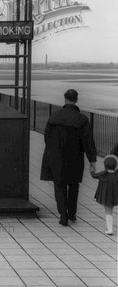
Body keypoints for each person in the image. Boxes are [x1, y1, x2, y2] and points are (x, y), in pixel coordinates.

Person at [40, 89, 98, 226]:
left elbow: (47, 137)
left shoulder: (54, 116)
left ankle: (63, 215)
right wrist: (92, 160)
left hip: (56, 158)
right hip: (75, 158)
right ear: (76, 100)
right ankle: (72, 213)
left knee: (59, 186)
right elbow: (88, 141)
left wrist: (53, 151)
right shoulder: (82, 119)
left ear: (65, 99)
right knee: (73, 186)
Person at [91, 155, 118, 235]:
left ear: (105, 165)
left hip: (105, 196)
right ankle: (108, 227)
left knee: (108, 212)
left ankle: (110, 229)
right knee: (110, 211)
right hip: (115, 196)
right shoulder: (116, 175)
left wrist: (92, 168)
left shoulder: (103, 174)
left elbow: (93, 175)